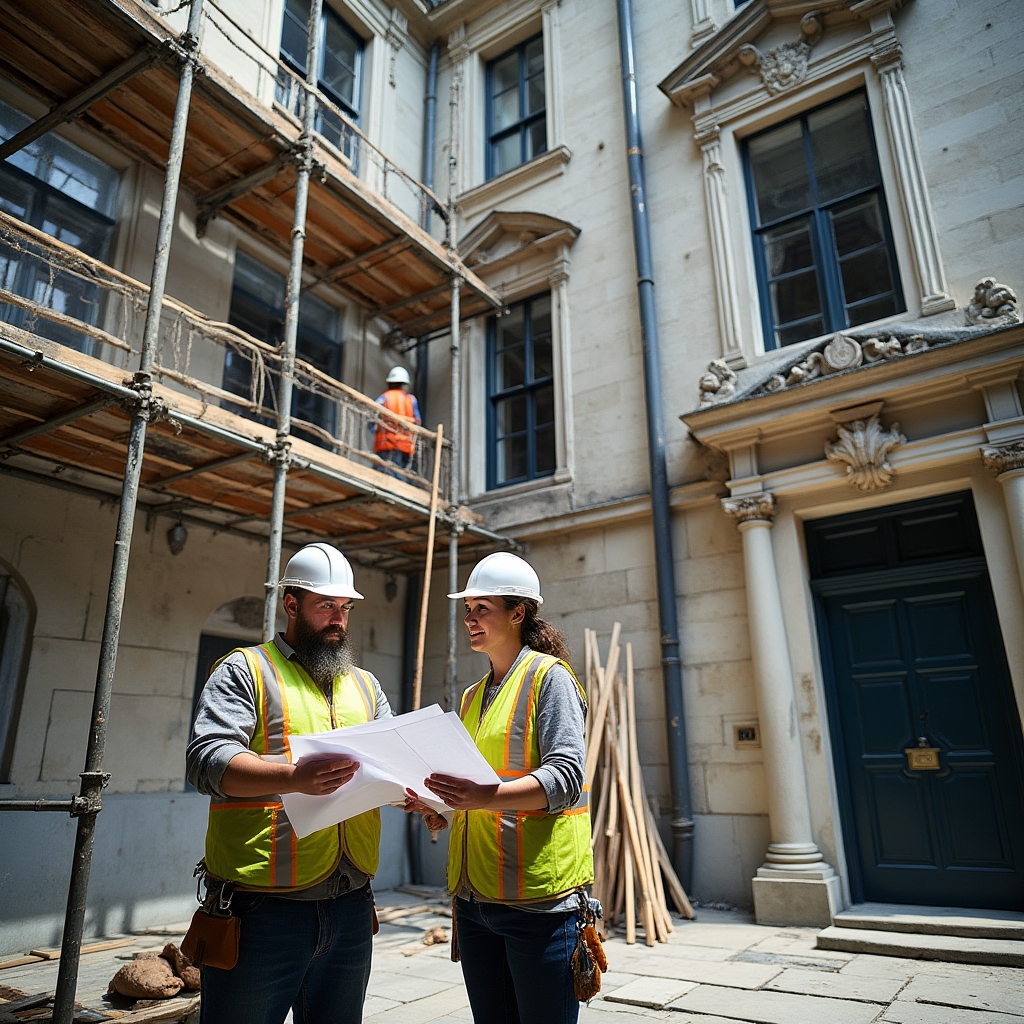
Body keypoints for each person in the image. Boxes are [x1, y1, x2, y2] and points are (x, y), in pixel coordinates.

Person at [187, 542, 408, 1024]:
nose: (338, 620)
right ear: (291, 604)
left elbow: (392, 763)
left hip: (351, 905)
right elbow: (207, 762)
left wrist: (416, 793)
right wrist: (293, 777)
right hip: (261, 912)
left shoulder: (367, 686)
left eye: (345, 608)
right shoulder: (245, 670)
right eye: (326, 606)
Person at [405, 552, 594, 1024]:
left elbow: (566, 779)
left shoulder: (551, 680)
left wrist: (481, 797)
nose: (470, 618)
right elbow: (474, 784)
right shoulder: (471, 696)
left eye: (481, 607)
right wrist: (440, 807)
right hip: (473, 902)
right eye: (467, 609)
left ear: (518, 612)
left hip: (538, 906)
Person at [373, 365, 421, 474]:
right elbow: (417, 422)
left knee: (383, 477)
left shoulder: (383, 398)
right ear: (404, 385)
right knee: (401, 477)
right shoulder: (411, 400)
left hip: (385, 445)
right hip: (405, 447)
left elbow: (372, 420)